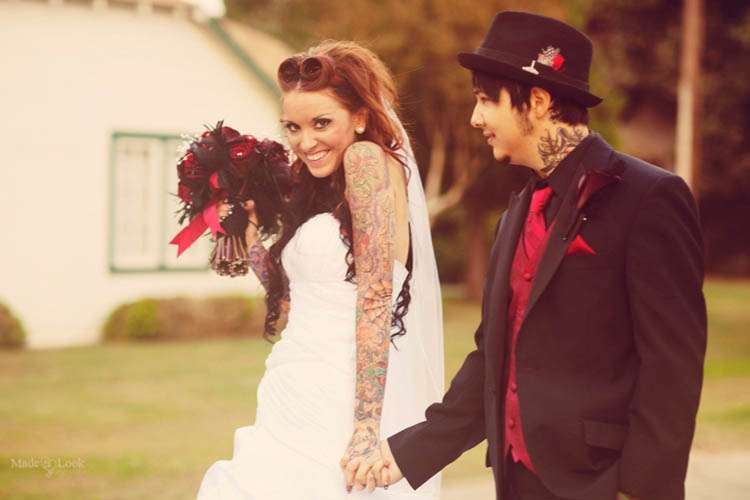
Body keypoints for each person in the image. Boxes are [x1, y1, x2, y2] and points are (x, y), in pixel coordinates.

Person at [346, 11, 707, 500]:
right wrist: (408, 454)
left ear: (537, 101)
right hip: (517, 481)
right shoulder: (516, 212)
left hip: (602, 483)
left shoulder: (650, 197)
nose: (475, 118)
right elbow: (493, 359)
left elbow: (671, 368)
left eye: (485, 100)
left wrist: (640, 492)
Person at [196, 40, 445, 500]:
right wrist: (248, 238)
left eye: (321, 123)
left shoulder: (366, 161)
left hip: (343, 393)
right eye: (293, 127)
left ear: (361, 117)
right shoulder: (322, 188)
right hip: (292, 382)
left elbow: (376, 295)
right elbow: (293, 299)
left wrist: (366, 426)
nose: (305, 142)